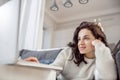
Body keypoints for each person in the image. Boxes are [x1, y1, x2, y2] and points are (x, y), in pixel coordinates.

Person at [24, 21, 117, 80]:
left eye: (86, 38)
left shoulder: (102, 58)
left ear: (98, 40)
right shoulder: (68, 52)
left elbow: (108, 77)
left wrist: (99, 45)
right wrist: (38, 68)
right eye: (79, 39)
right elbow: (53, 71)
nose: (80, 43)